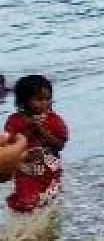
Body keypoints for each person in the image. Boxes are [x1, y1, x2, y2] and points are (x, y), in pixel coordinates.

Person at [4, 75, 69, 213]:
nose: (45, 103)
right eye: (39, 99)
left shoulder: (54, 120)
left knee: (49, 204)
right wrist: (28, 130)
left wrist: (41, 131)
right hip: (26, 171)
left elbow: (59, 145)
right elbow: (10, 145)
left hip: (50, 170)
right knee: (27, 203)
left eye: (48, 98)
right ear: (24, 101)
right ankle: (25, 228)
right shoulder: (15, 121)